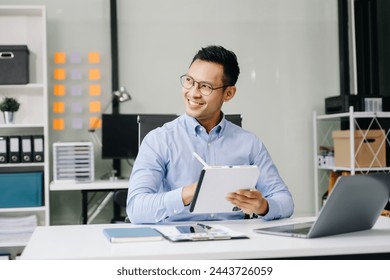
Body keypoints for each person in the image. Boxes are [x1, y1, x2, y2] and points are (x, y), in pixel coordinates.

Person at [126, 45, 294, 223]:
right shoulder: (159, 140)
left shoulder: (249, 143)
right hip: (179, 242)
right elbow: (136, 209)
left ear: (228, 93)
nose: (193, 93)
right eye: (190, 81)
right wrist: (194, 191)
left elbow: (285, 201)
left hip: (236, 242)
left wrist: (263, 206)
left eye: (205, 87)